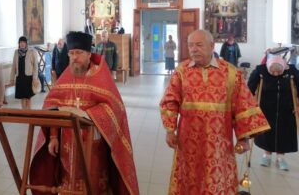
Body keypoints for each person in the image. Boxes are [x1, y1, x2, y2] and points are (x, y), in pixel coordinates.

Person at [159, 29, 269, 194]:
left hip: (219, 142)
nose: (193, 49)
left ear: (212, 46)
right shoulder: (182, 71)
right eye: (190, 46)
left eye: (198, 45)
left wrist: (244, 137)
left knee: (217, 178)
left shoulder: (231, 72)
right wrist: (169, 130)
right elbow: (170, 100)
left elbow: (243, 105)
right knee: (189, 177)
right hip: (188, 140)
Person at [29, 31, 139, 194]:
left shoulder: (101, 76)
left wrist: (90, 115)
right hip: (67, 141)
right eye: (71, 53)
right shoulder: (66, 76)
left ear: (89, 54)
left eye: (79, 53)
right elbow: (52, 105)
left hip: (93, 141)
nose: (74, 57)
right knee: (68, 180)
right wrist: (53, 137)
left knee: (92, 180)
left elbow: (115, 108)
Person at [248, 55, 299, 171]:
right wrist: (248, 104)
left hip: (286, 108)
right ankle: (266, 156)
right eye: (273, 71)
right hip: (266, 108)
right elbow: (249, 88)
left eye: (279, 71)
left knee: (285, 132)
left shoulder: (291, 71)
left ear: (283, 67)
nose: (276, 74)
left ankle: (281, 158)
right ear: (268, 68)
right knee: (267, 132)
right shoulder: (260, 71)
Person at [10, 36, 39, 109]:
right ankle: (24, 112)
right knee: (22, 97)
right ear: (19, 43)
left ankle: (29, 113)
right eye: (20, 42)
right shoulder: (16, 52)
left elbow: (36, 66)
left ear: (26, 43)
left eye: (23, 42)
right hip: (20, 77)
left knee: (28, 98)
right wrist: (12, 79)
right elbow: (13, 66)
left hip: (28, 77)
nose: (22, 44)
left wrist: (35, 78)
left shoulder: (32, 52)